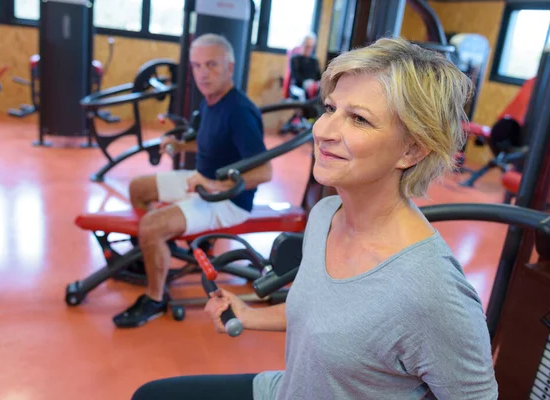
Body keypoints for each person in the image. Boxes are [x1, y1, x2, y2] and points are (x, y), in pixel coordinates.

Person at [129, 36, 499, 399]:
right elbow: (322, 311)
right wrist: (250, 314)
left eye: (358, 119)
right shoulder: (326, 214)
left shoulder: (431, 291)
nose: (322, 131)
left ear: (412, 149)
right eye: (329, 109)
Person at [112, 34, 273, 328]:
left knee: (151, 225)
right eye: (197, 65)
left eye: (211, 65)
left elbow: (265, 172)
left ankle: (154, 299)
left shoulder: (240, 111)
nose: (202, 73)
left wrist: (216, 186)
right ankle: (152, 251)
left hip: (228, 201)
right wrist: (179, 145)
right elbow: (210, 144)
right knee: (138, 188)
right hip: (201, 183)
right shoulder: (212, 100)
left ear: (230, 67)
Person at [289, 33, 321, 101]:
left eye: (311, 47)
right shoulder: (294, 59)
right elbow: (296, 77)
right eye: (307, 46)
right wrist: (307, 83)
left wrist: (318, 83)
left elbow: (319, 76)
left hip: (313, 88)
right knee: (303, 97)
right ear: (302, 45)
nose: (309, 49)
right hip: (298, 87)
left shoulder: (314, 60)